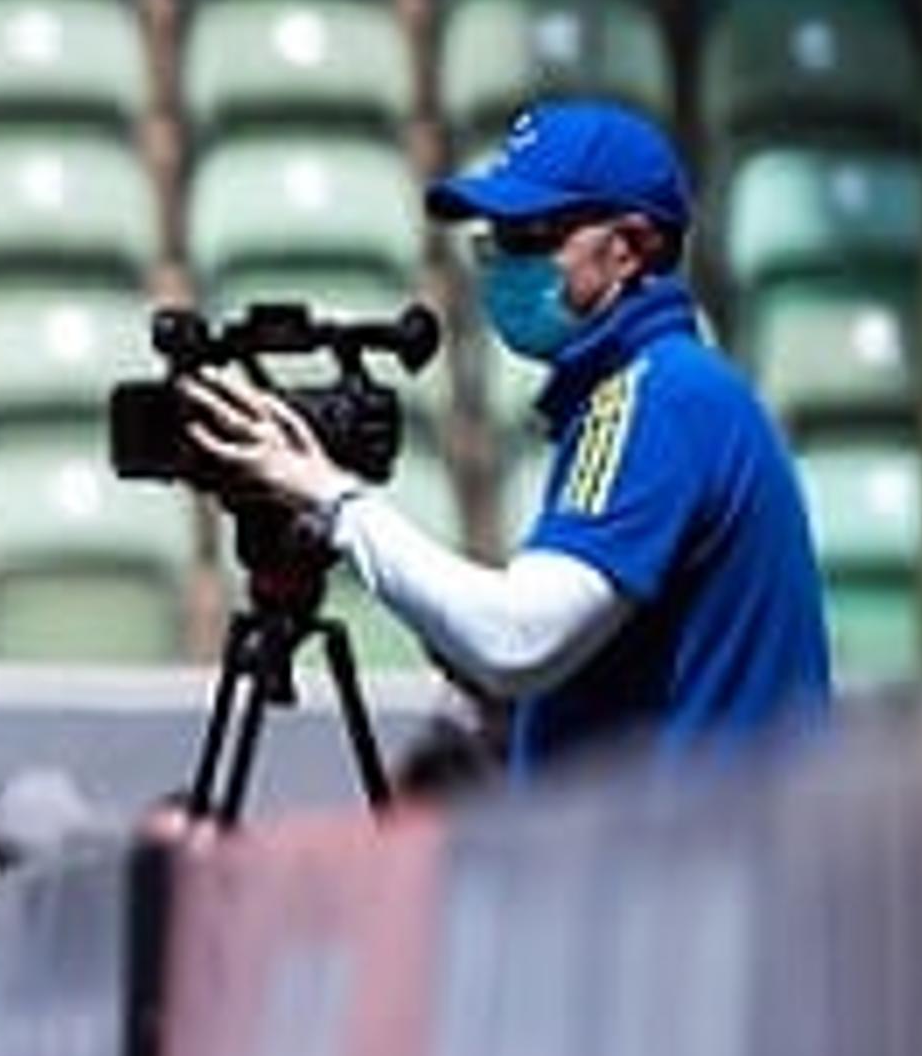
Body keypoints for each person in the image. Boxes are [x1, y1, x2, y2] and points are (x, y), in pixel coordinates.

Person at [179, 97, 833, 776]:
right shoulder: (663, 391)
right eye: (497, 240)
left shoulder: (655, 397)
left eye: (531, 236)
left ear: (631, 246)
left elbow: (519, 640)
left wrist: (332, 500)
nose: (504, 264)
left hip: (697, 870)